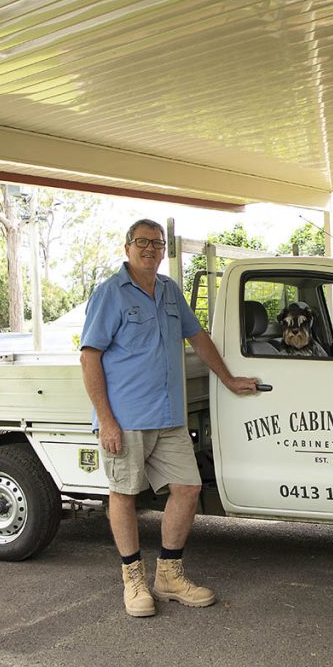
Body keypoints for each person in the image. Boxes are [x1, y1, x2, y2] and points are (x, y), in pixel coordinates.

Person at [80, 218, 257, 617]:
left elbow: (198, 337)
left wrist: (227, 378)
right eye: (142, 242)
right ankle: (132, 580)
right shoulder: (110, 293)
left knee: (188, 488)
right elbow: (89, 357)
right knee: (124, 494)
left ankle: (169, 575)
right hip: (125, 417)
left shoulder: (170, 291)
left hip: (168, 415)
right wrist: (106, 420)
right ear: (127, 247)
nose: (150, 249)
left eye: (157, 244)